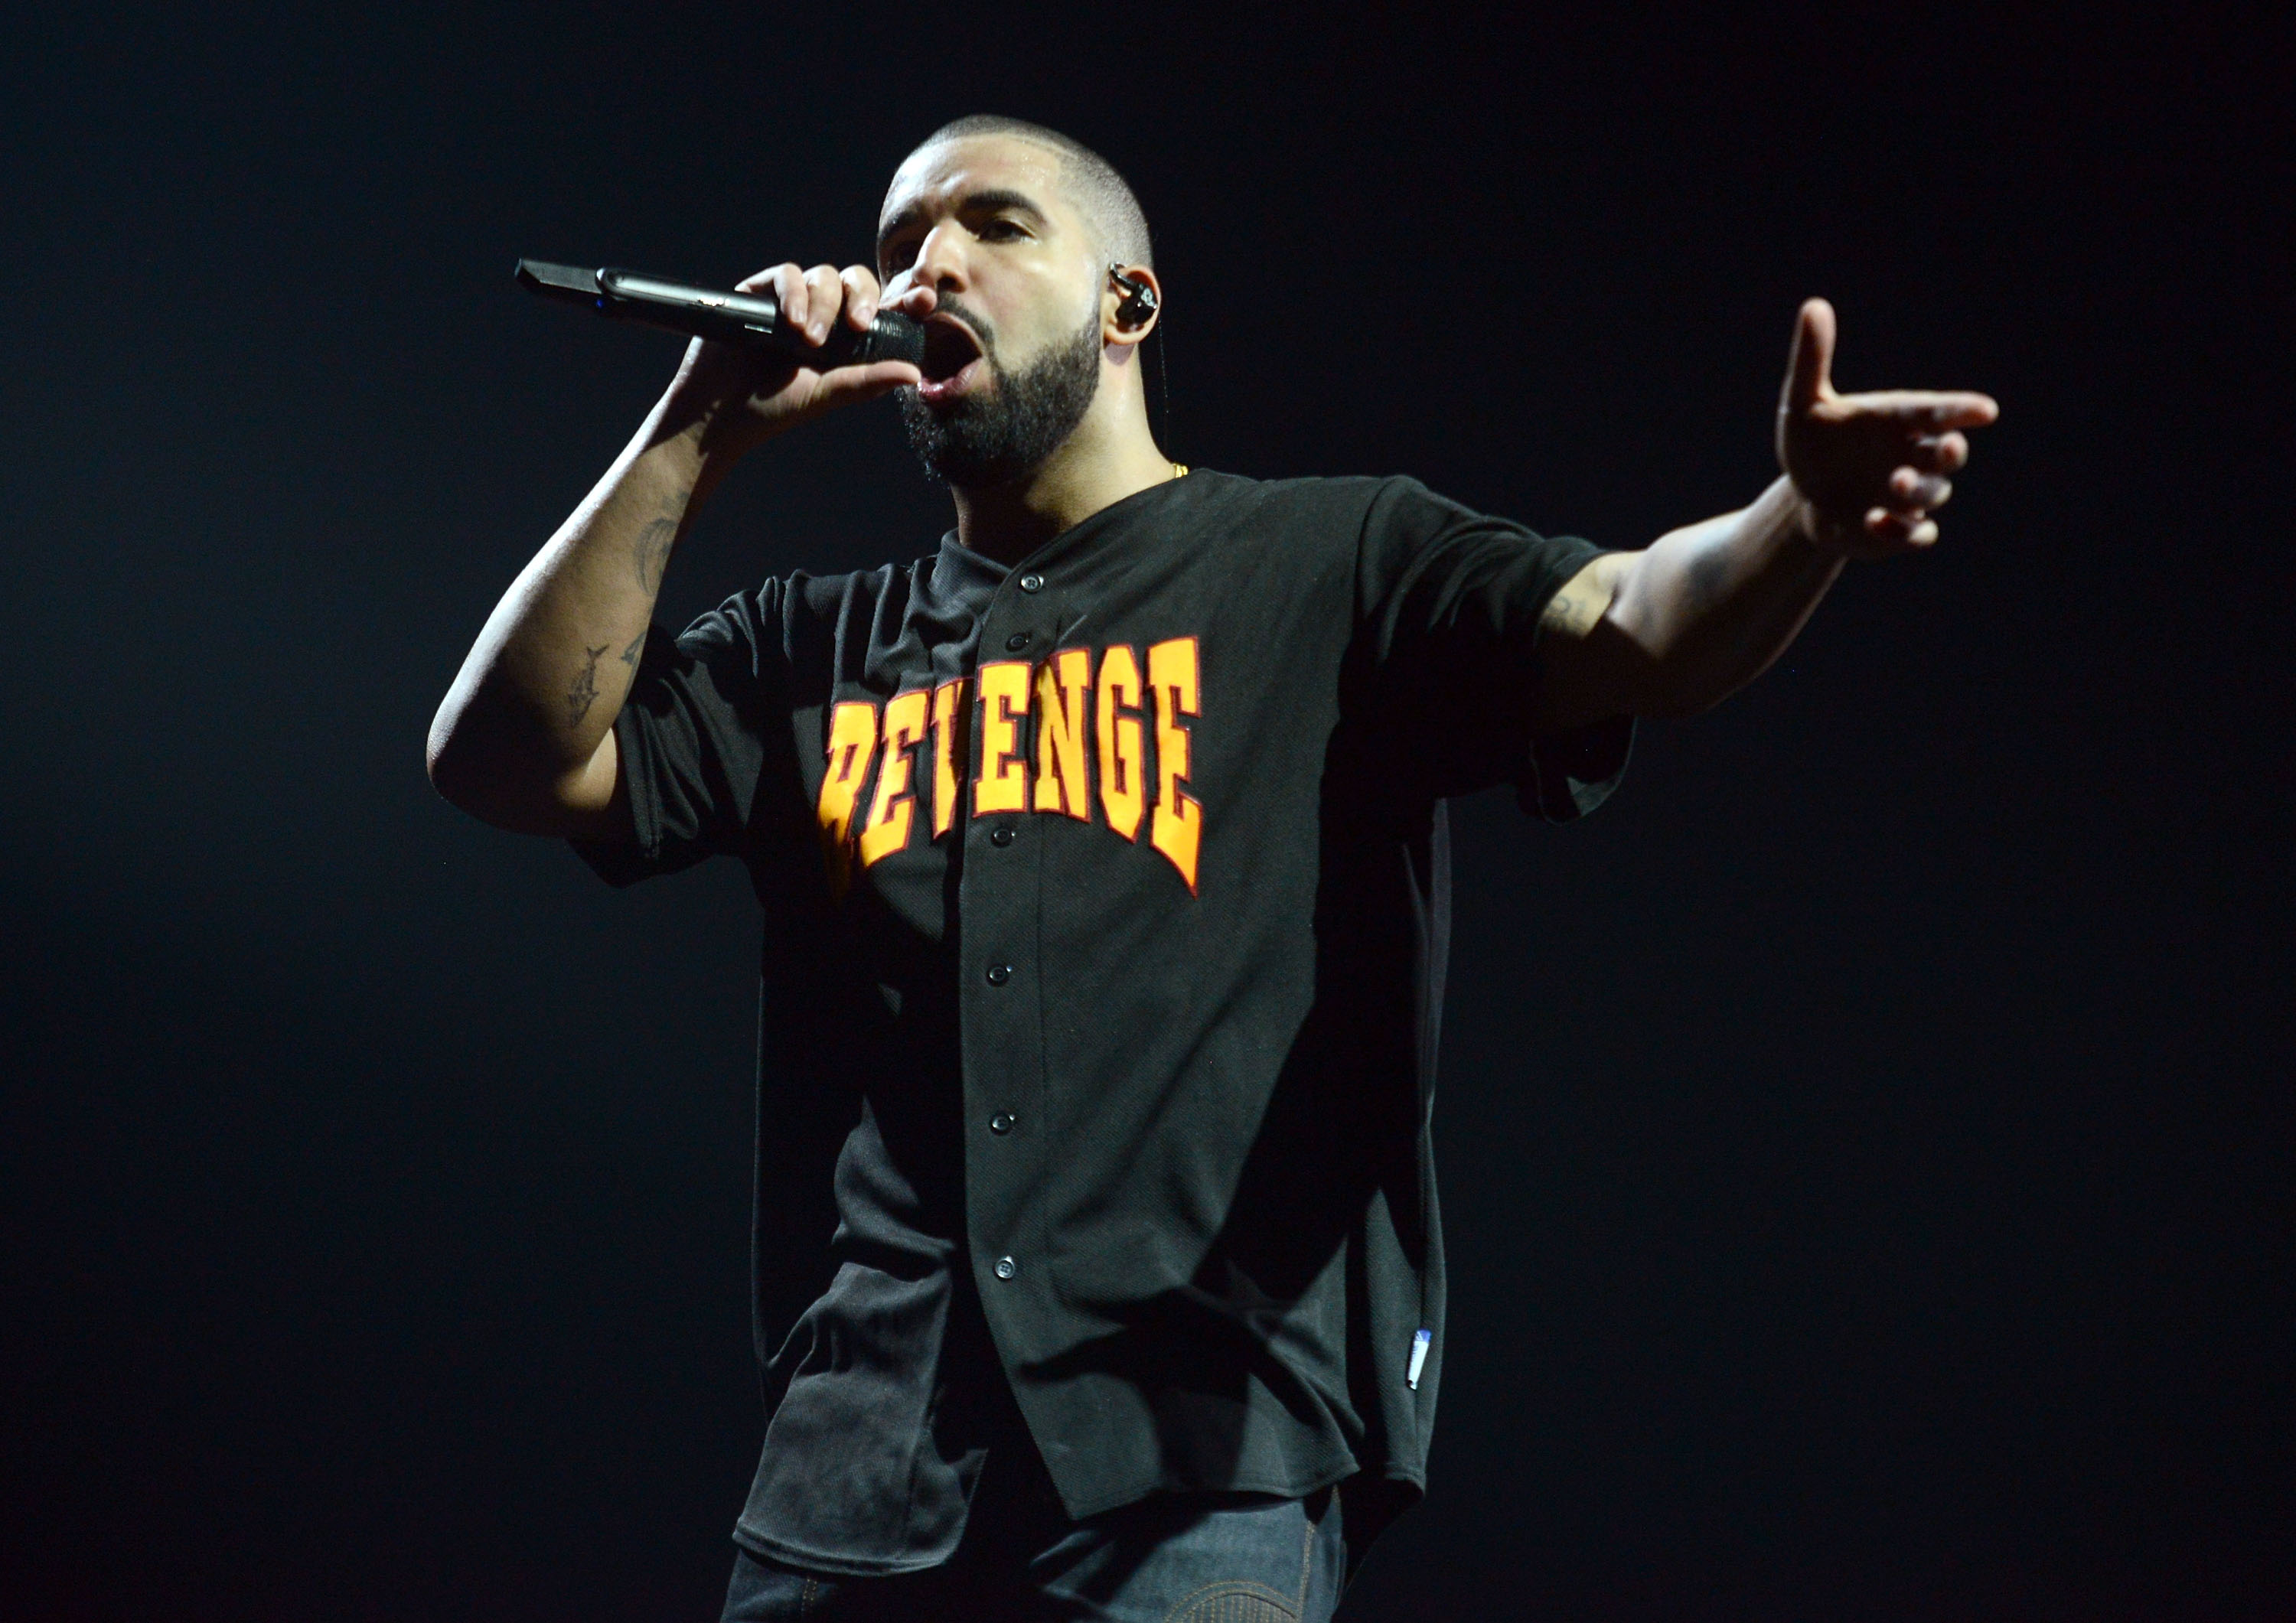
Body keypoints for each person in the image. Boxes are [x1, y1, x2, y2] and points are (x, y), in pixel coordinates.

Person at [426, 115, 1998, 1621]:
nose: (926, 267)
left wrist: (1799, 520)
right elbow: (504, 762)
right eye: (901, 238)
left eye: (992, 223)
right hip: (850, 1492)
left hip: (1198, 1475)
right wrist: (696, 425)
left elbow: (1643, 623)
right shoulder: (806, 647)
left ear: (1131, 300)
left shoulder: (1332, 562)